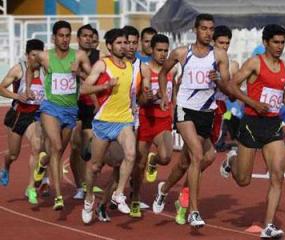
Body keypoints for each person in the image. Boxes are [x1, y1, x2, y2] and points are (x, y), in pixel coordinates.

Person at [220, 24, 285, 238]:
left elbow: (280, 90)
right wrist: (253, 103)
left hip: (273, 125)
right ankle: (231, 160)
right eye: (275, 42)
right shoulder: (254, 63)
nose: (279, 46)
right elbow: (231, 85)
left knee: (278, 175)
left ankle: (269, 226)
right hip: (251, 124)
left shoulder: (284, 65)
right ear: (266, 42)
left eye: (282, 42)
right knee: (243, 180)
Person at [152, 13, 230, 228]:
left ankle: (164, 189)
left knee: (196, 159)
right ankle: (193, 211)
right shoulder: (181, 53)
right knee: (197, 155)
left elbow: (226, 85)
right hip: (185, 110)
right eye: (204, 28)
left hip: (207, 112)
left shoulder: (220, 55)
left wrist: (219, 80)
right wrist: (164, 95)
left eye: (211, 29)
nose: (208, 33)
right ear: (195, 30)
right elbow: (163, 73)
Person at [174, 25, 240, 225]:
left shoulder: (232, 64)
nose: (225, 46)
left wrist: (224, 82)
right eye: (221, 43)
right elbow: (180, 82)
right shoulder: (200, 59)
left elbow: (231, 93)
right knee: (190, 159)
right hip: (193, 110)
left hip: (216, 112)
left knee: (206, 157)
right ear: (213, 42)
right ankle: (170, 192)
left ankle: (184, 196)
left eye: (228, 43)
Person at [26, 20, 92, 210]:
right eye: (61, 36)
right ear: (54, 37)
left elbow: (93, 77)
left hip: (71, 110)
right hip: (50, 108)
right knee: (55, 146)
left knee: (59, 150)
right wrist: (29, 87)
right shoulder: (44, 56)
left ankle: (42, 163)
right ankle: (58, 196)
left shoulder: (78, 56)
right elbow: (31, 68)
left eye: (67, 36)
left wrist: (78, 72)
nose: (64, 39)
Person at [81, 28, 136, 224]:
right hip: (104, 122)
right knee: (95, 166)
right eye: (120, 43)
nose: (124, 46)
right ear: (110, 46)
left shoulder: (131, 66)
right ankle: (88, 197)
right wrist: (104, 87)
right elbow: (84, 88)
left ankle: (119, 193)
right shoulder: (102, 64)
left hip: (124, 120)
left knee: (130, 154)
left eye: (126, 43)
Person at [130, 34, 176, 218]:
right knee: (138, 164)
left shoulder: (173, 70)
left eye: (166, 50)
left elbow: (174, 95)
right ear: (152, 50)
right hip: (145, 120)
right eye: (159, 50)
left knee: (165, 157)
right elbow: (139, 99)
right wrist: (149, 98)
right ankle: (134, 197)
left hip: (164, 120)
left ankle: (154, 160)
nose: (163, 54)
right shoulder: (144, 70)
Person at [0, 39, 45, 205]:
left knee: (37, 146)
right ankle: (5, 168)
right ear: (27, 55)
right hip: (18, 114)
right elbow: (1, 87)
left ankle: (31, 187)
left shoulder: (45, 70)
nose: (37, 59)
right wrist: (17, 96)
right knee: (13, 154)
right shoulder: (19, 69)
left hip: (36, 115)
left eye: (39, 55)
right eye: (33, 55)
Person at [69, 24, 101, 200]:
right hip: (74, 104)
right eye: (85, 36)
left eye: (91, 36)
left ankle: (88, 181)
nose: (88, 39)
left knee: (88, 146)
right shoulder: (71, 56)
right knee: (74, 146)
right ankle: (79, 185)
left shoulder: (100, 58)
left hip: (92, 105)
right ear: (78, 39)